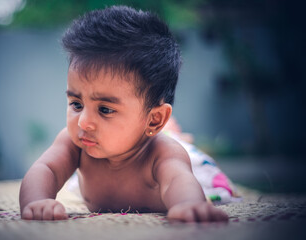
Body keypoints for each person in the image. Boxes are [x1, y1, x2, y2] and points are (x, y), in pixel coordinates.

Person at [19, 5, 238, 222]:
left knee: (185, 154)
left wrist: (188, 205)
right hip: (140, 133)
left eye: (105, 109)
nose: (84, 122)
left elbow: (177, 181)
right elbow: (45, 169)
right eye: (76, 104)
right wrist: (36, 201)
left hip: (172, 149)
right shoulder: (74, 144)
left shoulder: (162, 154)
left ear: (154, 119)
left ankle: (174, 131)